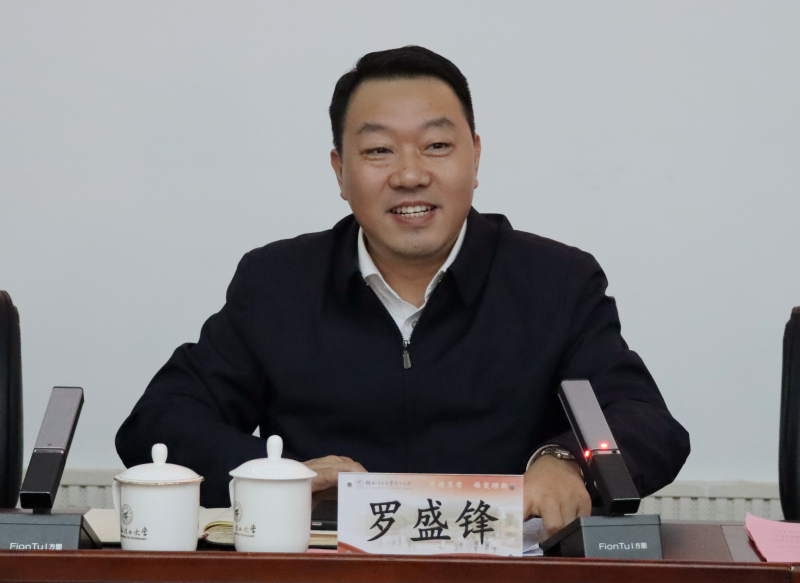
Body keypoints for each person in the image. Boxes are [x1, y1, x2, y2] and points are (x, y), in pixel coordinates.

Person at [116, 46, 689, 537]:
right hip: (328, 571)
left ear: (475, 157)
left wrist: (566, 461)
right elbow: (160, 420)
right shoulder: (277, 283)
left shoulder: (555, 281)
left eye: (436, 146)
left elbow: (643, 420)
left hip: (504, 569)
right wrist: (283, 477)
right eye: (378, 150)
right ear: (340, 171)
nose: (410, 175)